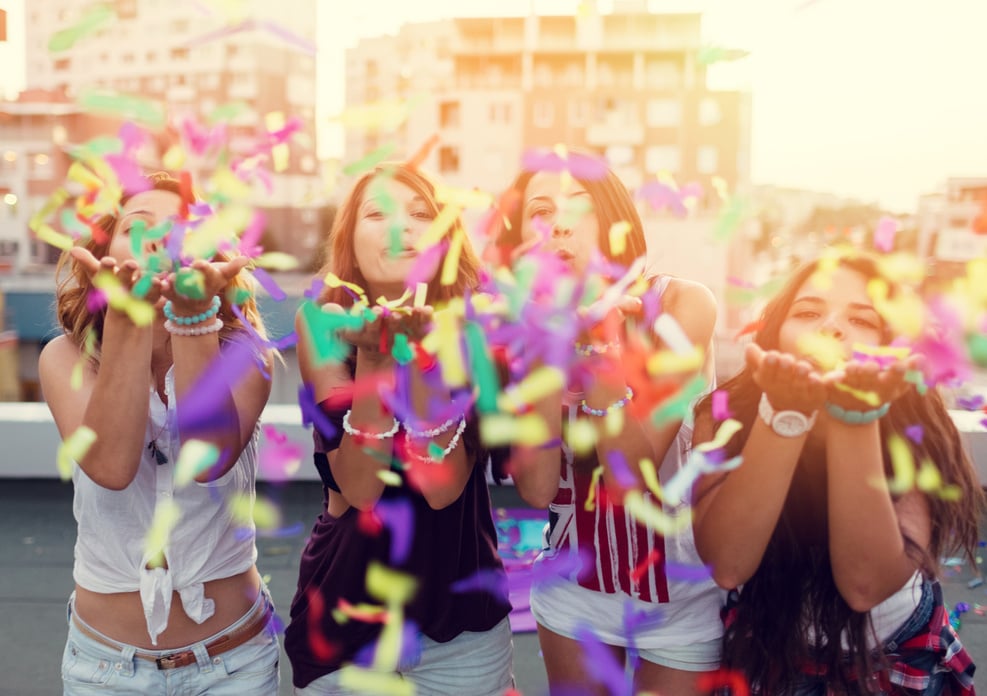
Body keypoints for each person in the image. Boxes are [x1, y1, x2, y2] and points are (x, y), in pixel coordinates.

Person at [691, 252, 982, 694]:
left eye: (862, 320)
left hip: (895, 652)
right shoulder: (725, 412)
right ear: (774, 333)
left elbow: (865, 587)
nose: (832, 328)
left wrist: (855, 418)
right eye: (808, 312)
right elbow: (727, 566)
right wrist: (784, 416)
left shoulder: (915, 422)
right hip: (770, 647)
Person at [39, 173, 279, 694]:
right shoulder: (64, 358)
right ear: (106, 246)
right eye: (137, 226)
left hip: (234, 663)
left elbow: (205, 458)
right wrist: (129, 319)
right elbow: (111, 466)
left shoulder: (246, 354)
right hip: (103, 668)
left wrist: (193, 321)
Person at [493, 156, 723, 695]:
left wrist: (599, 345)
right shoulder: (518, 330)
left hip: (683, 584)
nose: (561, 225)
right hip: (577, 583)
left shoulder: (682, 304)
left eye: (581, 208)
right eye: (541, 212)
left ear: (613, 219)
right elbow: (538, 487)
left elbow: (632, 472)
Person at [284, 163, 513, 695]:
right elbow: (360, 489)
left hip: (462, 625)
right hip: (344, 624)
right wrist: (376, 356)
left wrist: (415, 350)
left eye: (419, 214)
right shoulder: (321, 320)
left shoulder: (477, 327)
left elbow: (443, 487)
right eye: (377, 213)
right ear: (350, 239)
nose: (400, 228)